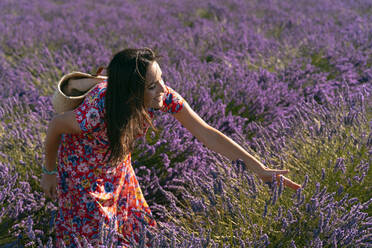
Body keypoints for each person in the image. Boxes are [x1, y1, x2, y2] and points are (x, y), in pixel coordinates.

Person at [40, 47, 300, 247]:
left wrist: (259, 168)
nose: (163, 89)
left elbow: (207, 133)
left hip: (119, 170)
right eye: (152, 85)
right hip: (82, 176)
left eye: (161, 78)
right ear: (131, 93)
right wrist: (49, 172)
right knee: (95, 237)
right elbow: (55, 127)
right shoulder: (97, 110)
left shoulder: (163, 99)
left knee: (138, 233)